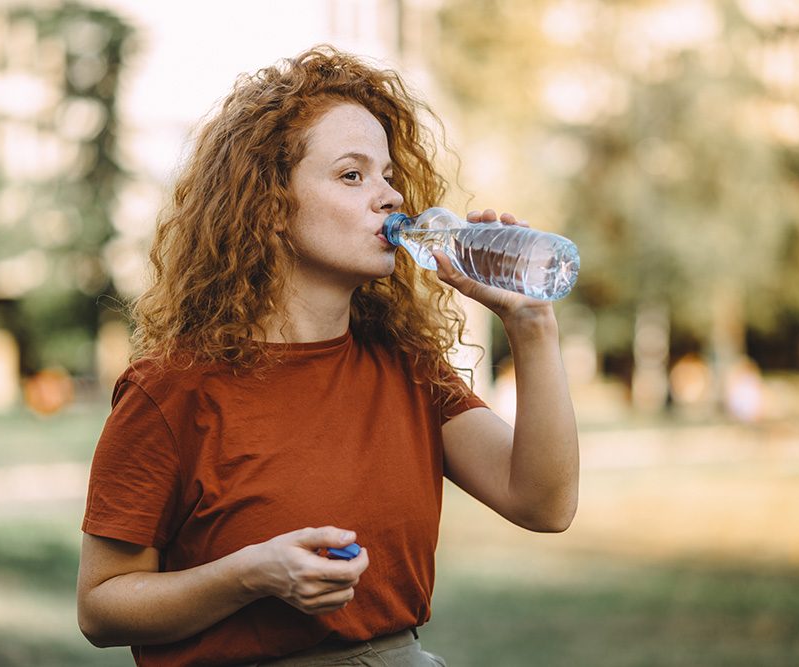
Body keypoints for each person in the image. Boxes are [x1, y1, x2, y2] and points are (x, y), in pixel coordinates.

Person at [76, 45, 579, 666]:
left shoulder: (405, 368)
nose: (390, 197)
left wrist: (532, 329)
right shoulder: (172, 391)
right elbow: (101, 608)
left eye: (389, 175)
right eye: (352, 175)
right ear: (271, 210)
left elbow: (543, 503)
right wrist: (249, 576)